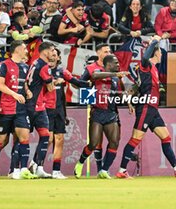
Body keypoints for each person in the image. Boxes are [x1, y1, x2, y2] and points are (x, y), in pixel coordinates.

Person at [116, 35, 176, 179]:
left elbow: (137, 87)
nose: (162, 54)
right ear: (156, 53)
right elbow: (145, 58)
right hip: (145, 107)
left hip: (152, 109)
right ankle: (122, 170)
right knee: (136, 138)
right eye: (161, 52)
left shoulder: (154, 70)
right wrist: (155, 41)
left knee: (166, 138)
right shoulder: (146, 65)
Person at [0, 40, 37, 180]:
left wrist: (27, 91)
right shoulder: (4, 65)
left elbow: (22, 83)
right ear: (17, 50)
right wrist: (14, 94)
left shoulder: (25, 67)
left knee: (24, 137)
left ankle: (24, 169)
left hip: (20, 109)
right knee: (1, 140)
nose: (26, 51)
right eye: (24, 48)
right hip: (5, 108)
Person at [74, 54, 129, 179]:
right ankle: (80, 163)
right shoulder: (99, 72)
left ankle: (104, 170)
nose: (118, 65)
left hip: (111, 114)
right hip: (97, 113)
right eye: (116, 63)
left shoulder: (116, 79)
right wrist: (115, 74)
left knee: (114, 142)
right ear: (108, 64)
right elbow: (94, 76)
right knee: (93, 144)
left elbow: (121, 93)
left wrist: (129, 101)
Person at [45, 48, 90, 179]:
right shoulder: (42, 71)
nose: (52, 57)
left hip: (59, 110)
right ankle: (37, 165)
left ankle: (56, 170)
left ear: (58, 58)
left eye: (55, 55)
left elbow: (76, 82)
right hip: (46, 109)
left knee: (59, 140)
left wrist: (90, 83)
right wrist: (54, 82)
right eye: (50, 55)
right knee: (47, 139)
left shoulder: (62, 72)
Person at [77, 43, 111, 174]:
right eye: (105, 51)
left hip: (111, 108)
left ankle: (102, 170)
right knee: (96, 142)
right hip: (97, 108)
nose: (108, 53)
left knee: (113, 141)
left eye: (109, 51)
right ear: (99, 53)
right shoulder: (91, 68)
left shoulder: (112, 67)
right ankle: (93, 167)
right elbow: (81, 83)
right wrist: (89, 98)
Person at [26, 42, 56, 178]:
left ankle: (37, 166)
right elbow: (50, 88)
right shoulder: (44, 66)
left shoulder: (34, 62)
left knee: (45, 136)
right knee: (25, 138)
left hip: (31, 104)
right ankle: (28, 167)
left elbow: (27, 82)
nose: (53, 54)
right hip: (36, 106)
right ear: (45, 52)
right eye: (51, 51)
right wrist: (55, 82)